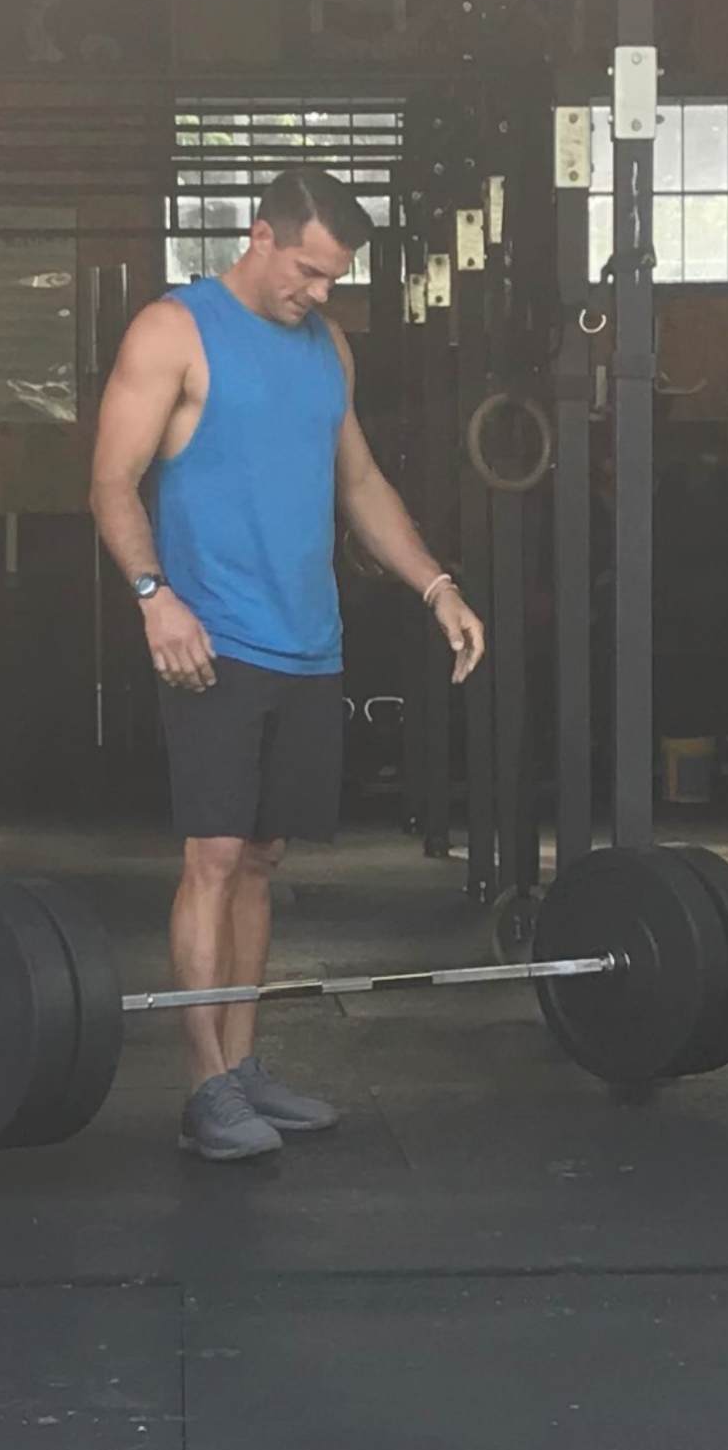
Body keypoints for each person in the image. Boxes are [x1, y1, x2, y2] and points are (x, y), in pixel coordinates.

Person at [87, 168, 483, 1162]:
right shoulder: (172, 331)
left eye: (335, 279)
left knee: (263, 859)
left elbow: (359, 482)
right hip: (213, 638)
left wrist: (438, 586)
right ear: (259, 234)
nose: (320, 293)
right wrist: (153, 597)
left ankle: (247, 1064)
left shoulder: (328, 348)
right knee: (212, 857)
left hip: (310, 640)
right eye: (308, 271)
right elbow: (110, 480)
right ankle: (204, 1084)